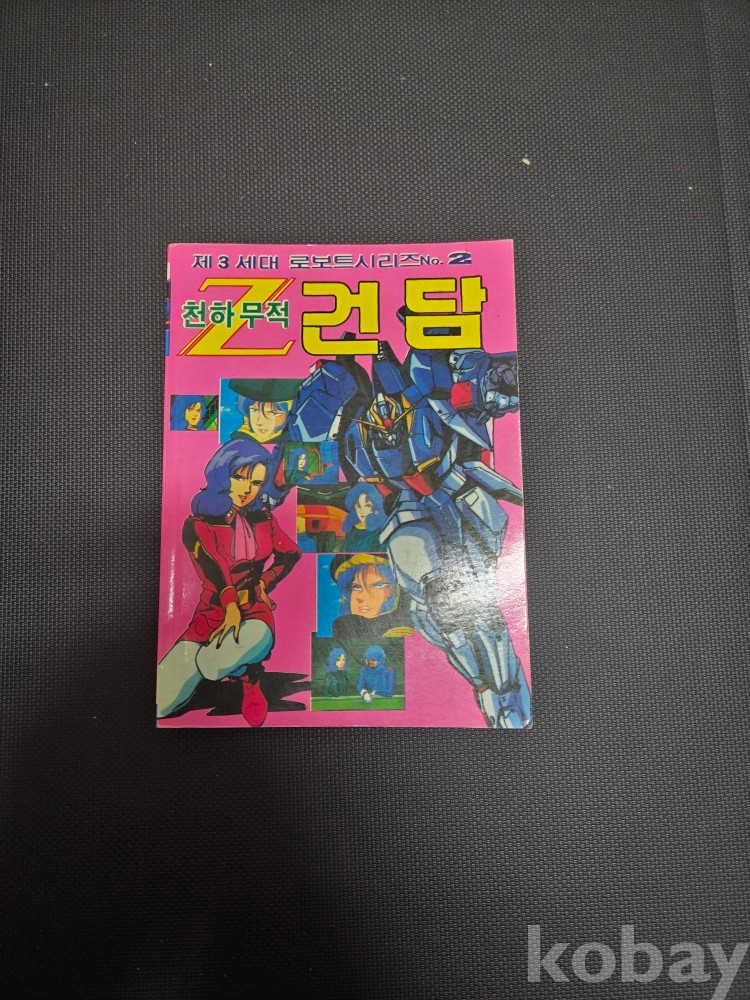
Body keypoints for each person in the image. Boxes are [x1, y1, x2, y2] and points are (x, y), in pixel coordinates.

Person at [157, 438, 301, 725]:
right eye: (239, 478)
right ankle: (242, 669)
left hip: (254, 612)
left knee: (212, 665)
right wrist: (230, 606)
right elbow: (213, 568)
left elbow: (290, 554)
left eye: (257, 483)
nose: (247, 490)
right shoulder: (197, 525)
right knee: (161, 704)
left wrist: (266, 581)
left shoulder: (264, 519)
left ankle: (250, 678)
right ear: (223, 474)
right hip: (211, 614)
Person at [330, 554, 413, 640]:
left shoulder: (405, 632)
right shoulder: (343, 629)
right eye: (356, 587)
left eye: (378, 585)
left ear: (398, 590)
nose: (361, 597)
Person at [338, 483, 386, 553]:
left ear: (377, 507)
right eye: (358, 506)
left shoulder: (381, 532)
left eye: (367, 506)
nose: (361, 511)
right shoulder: (351, 532)